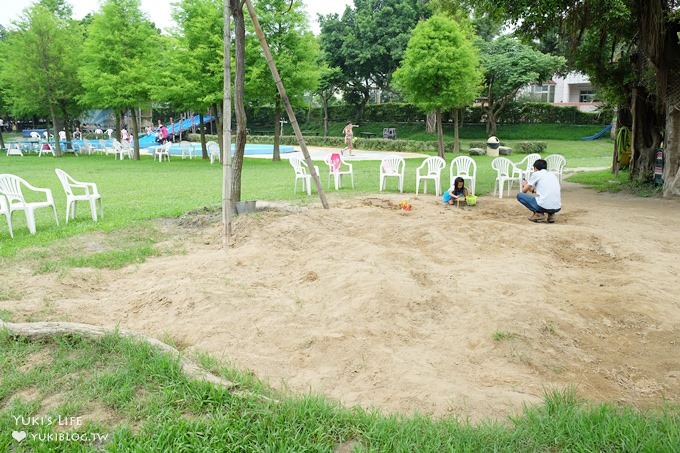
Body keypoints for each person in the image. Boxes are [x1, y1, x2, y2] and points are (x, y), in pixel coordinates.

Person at [517, 158, 561, 223]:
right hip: (557, 207)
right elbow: (543, 191)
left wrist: (524, 184)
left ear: (535, 168)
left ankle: (539, 214)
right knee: (547, 198)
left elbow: (524, 191)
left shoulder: (536, 174)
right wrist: (531, 189)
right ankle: (551, 215)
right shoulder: (552, 175)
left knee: (520, 195)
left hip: (543, 205)